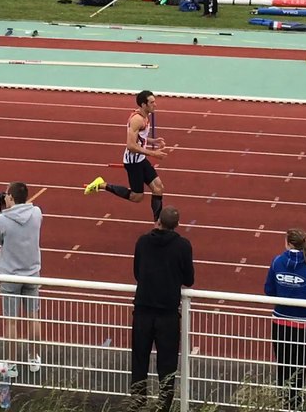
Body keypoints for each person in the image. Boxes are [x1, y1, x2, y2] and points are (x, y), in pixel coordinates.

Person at [130, 206, 195, 412]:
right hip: (167, 313)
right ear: (176, 225)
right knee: (167, 365)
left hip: (142, 310)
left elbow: (137, 273)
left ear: (157, 221)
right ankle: (163, 407)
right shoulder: (183, 246)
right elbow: (189, 280)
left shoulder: (143, 241)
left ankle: (138, 403)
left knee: (139, 360)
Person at [264, 228, 306, 411]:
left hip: (280, 321)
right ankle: (295, 402)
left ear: (288, 243)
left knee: (283, 363)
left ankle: (283, 401)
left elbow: (269, 290)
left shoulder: (277, 261)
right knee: (299, 365)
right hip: (303, 323)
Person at [84, 90, 170, 221]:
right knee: (137, 197)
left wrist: (154, 141)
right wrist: (153, 153)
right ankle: (101, 185)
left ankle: (158, 223)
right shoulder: (136, 120)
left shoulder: (145, 116)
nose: (155, 105)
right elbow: (131, 145)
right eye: (152, 102)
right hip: (133, 162)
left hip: (141, 159)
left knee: (158, 188)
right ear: (143, 104)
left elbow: (141, 138)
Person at [0, 181, 44, 375]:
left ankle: (11, 365)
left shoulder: (2, 220)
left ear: (11, 198)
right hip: (32, 273)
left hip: (10, 275)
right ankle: (33, 359)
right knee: (33, 318)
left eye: (6, 195)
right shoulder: (37, 213)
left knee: (11, 321)